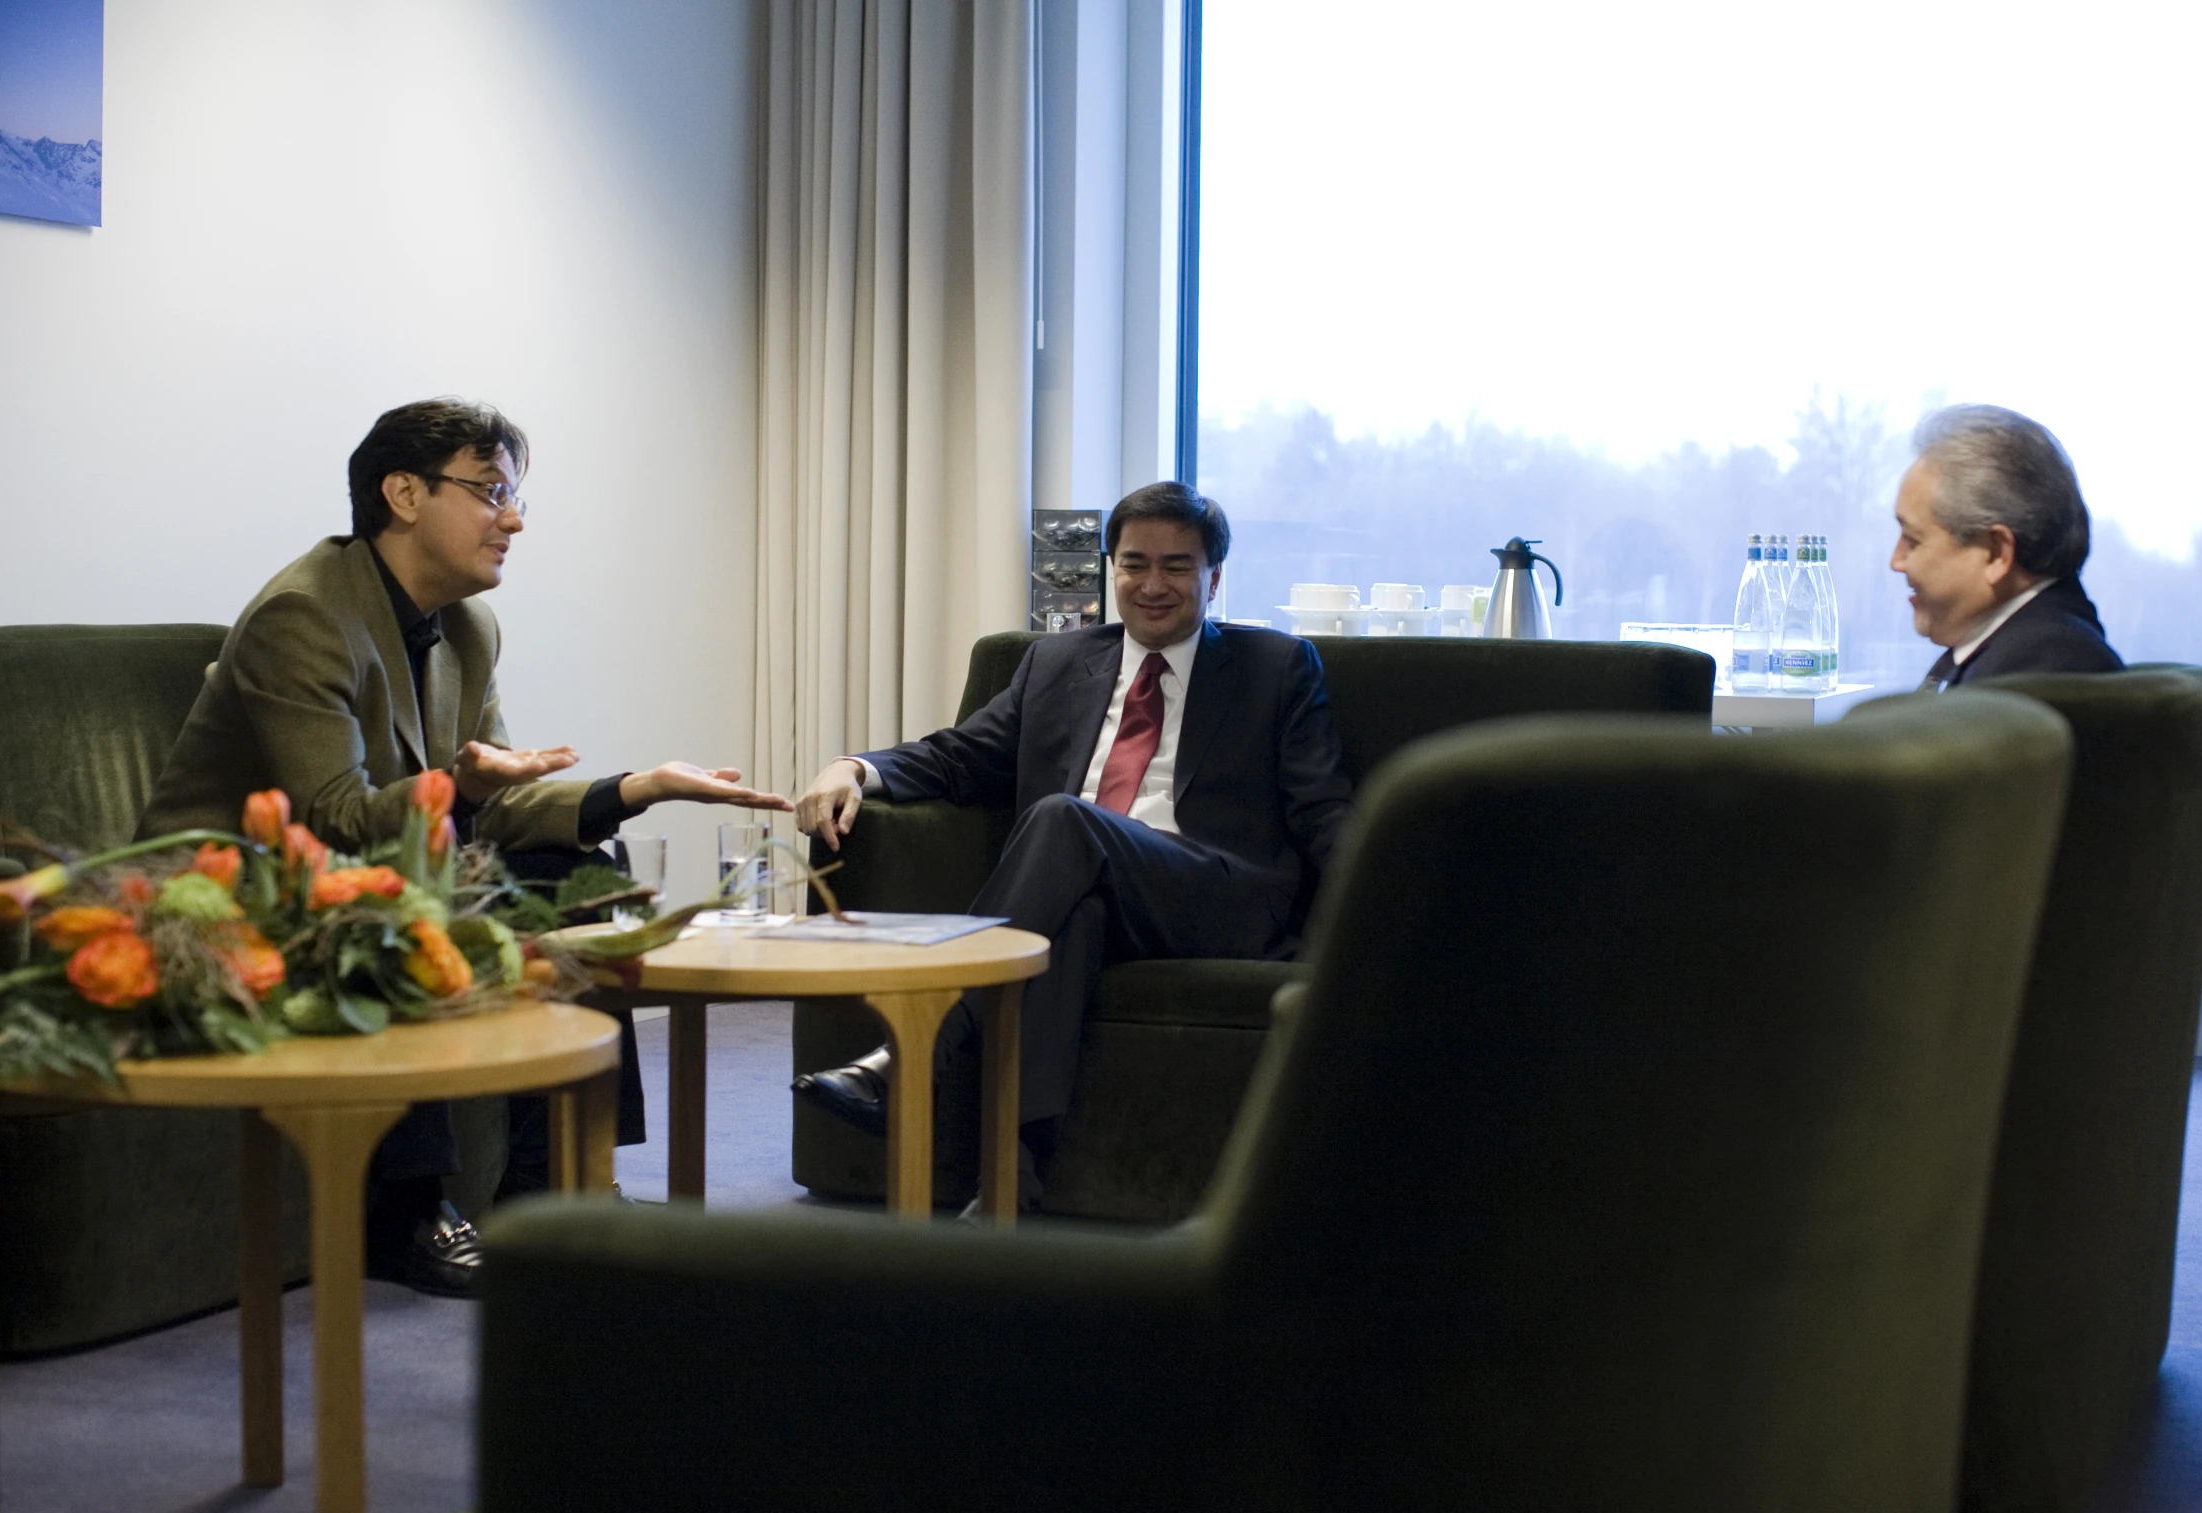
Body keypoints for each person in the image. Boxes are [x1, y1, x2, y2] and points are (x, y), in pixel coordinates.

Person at [139, 398, 787, 1294]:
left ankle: (557, 1182)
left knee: (580, 877)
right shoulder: (305, 616)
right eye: (489, 492)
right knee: (402, 889)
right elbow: (333, 815)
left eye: (512, 496)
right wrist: (466, 789)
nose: (512, 519)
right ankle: (409, 1210)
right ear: (403, 493)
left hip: (371, 857)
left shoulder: (467, 627)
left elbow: (500, 801)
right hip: (226, 884)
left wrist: (636, 788)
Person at [787, 481, 1352, 1214]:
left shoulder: (1275, 666)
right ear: (1109, 567)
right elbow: (960, 756)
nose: (1153, 585)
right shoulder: (1056, 662)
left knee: (1063, 819)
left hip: (1214, 894)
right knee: (1072, 913)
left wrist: (1379, 908)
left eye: (1177, 566)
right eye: (1133, 563)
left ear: (1214, 577)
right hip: (1088, 881)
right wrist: (853, 768)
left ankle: (912, 1050)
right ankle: (1009, 1183)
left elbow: (1321, 805)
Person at [1892, 403, 2123, 690]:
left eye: (1912, 540)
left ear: (1997, 553)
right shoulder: (2023, 651)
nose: (1896, 561)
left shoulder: (2040, 671)